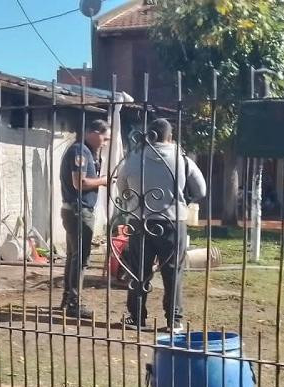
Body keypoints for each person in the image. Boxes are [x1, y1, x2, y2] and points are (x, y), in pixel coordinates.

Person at [115, 119, 206, 332]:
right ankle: (174, 321)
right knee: (173, 272)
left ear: (150, 135)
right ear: (170, 136)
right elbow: (201, 189)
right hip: (173, 221)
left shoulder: (134, 157)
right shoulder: (181, 159)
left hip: (140, 221)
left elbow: (121, 185)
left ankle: (136, 317)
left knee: (139, 271)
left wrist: (132, 203)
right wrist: (183, 200)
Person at [59, 119, 111, 319]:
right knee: (80, 259)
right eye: (104, 138)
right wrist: (103, 181)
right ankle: (74, 303)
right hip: (79, 211)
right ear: (94, 132)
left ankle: (67, 299)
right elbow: (79, 182)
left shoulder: (85, 151)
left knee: (74, 257)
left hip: (74, 210)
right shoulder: (80, 151)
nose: (105, 143)